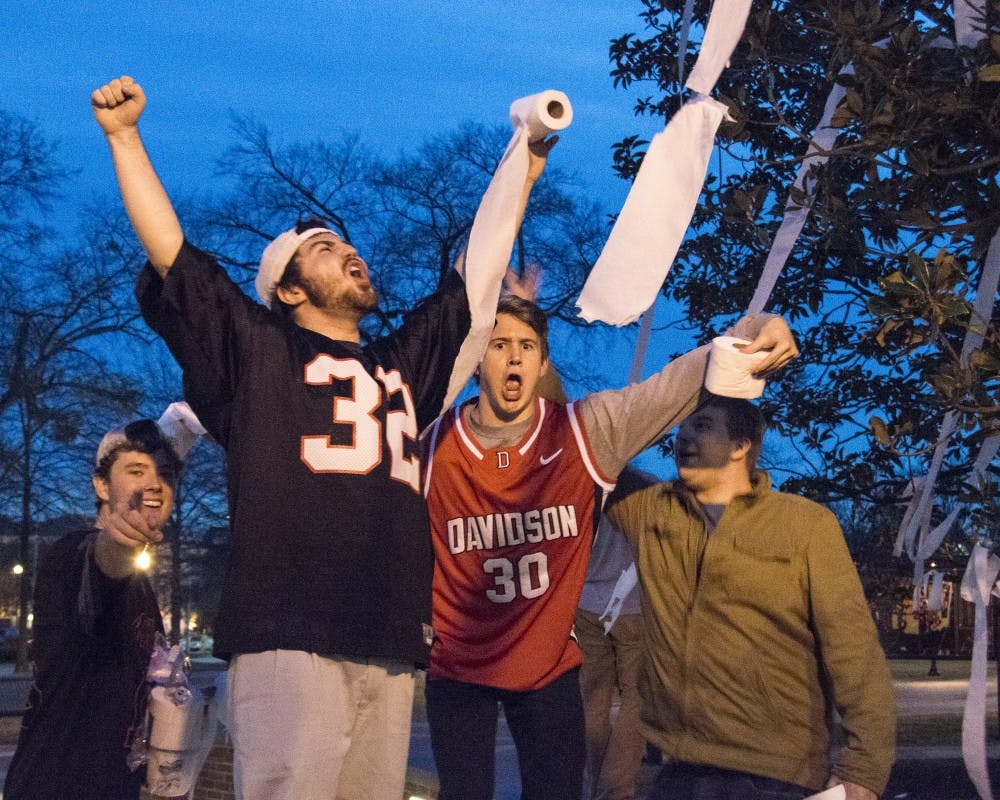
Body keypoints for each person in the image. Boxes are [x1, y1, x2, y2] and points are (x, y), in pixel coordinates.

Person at [91, 75, 554, 800]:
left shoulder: (400, 364)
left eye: (345, 242)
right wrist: (124, 138)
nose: (348, 251)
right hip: (288, 633)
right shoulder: (255, 352)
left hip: (392, 636)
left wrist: (522, 158)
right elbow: (174, 255)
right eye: (324, 247)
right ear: (289, 289)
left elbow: (478, 273)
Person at [421, 292, 798, 800]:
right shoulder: (431, 445)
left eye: (528, 346)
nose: (514, 357)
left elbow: (671, 389)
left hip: (546, 665)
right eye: (499, 344)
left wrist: (754, 327)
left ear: (543, 362)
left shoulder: (586, 430)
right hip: (461, 664)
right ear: (474, 361)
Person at [604, 396, 896, 800]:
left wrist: (864, 769)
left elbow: (854, 652)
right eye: (681, 426)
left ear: (741, 446)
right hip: (679, 773)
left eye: (702, 425)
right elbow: (571, 438)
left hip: (775, 777)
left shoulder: (805, 524)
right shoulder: (651, 512)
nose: (684, 434)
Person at [4, 419, 181, 800]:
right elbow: (103, 565)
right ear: (101, 485)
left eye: (164, 474)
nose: (154, 483)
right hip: (54, 784)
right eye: (136, 471)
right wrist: (119, 544)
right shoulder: (72, 553)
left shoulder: (144, 585)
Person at [575, 466, 658, 800]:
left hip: (586, 600)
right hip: (632, 602)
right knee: (636, 696)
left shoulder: (578, 481)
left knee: (593, 699)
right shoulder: (645, 484)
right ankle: (616, 787)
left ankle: (598, 785)